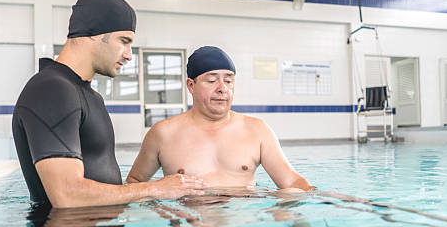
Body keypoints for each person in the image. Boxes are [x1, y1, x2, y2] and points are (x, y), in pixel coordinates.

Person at [12, 0, 206, 208]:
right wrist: (156, 189)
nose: (129, 54)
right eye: (124, 41)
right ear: (94, 32)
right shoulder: (51, 90)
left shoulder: (86, 95)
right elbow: (67, 195)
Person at [127, 46, 314, 192]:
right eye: (211, 80)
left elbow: (291, 182)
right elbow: (133, 183)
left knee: (291, 194)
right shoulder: (163, 133)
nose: (222, 88)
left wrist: (330, 199)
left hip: (242, 217)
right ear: (191, 85)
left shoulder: (257, 130)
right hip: (189, 220)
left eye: (229, 80)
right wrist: (158, 196)